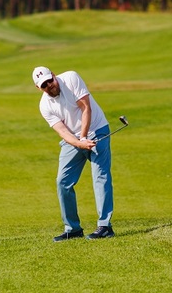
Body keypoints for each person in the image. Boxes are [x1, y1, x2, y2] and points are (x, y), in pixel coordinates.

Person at [33, 65, 115, 241]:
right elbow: (62, 131)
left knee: (100, 176)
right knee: (63, 181)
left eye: (50, 80)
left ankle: (105, 226)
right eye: (44, 85)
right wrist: (79, 142)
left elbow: (86, 108)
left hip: (97, 129)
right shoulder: (44, 105)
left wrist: (84, 137)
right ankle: (73, 228)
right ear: (38, 88)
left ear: (54, 75)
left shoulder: (71, 78)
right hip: (73, 138)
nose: (49, 86)